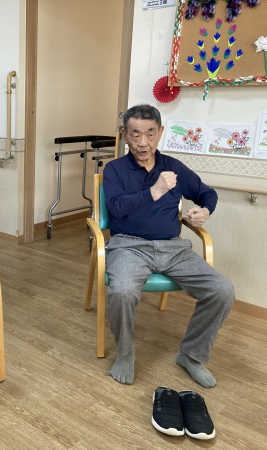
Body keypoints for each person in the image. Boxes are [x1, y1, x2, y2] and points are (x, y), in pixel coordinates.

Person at [102, 104, 235, 388]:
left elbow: (206, 193)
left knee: (222, 290)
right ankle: (125, 354)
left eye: (150, 133)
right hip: (128, 246)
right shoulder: (114, 169)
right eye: (135, 134)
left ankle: (191, 356)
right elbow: (115, 207)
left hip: (173, 248)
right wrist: (154, 191)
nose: (143, 142)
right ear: (125, 135)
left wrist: (205, 211)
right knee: (122, 291)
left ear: (160, 132)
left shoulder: (173, 167)